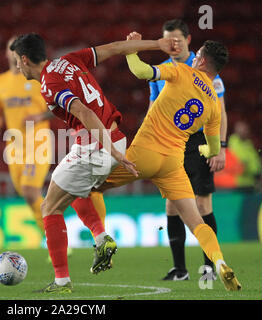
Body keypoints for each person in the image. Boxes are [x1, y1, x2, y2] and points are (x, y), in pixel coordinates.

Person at [10, 32, 179, 293]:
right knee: (75, 189)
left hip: (98, 145)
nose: (17, 68)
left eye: (17, 62)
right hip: (112, 138)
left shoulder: (49, 84)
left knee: (49, 208)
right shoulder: (69, 60)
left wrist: (113, 152)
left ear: (24, 59)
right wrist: (157, 44)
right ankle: (101, 238)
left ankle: (62, 281)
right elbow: (116, 48)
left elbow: (84, 112)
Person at [93, 32, 241, 291]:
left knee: (92, 187)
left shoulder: (181, 71)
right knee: (197, 222)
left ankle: (101, 241)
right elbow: (213, 146)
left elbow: (140, 71)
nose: (194, 56)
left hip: (145, 154)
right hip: (174, 163)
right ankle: (219, 262)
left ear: (203, 61)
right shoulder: (214, 106)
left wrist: (131, 49)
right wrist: (207, 152)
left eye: (198, 54)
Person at [0, 37, 107, 239]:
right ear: (7, 53)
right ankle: (51, 233)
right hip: (14, 142)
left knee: (29, 190)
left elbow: (58, 104)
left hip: (38, 140)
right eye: (9, 48)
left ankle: (55, 235)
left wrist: (39, 116)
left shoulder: (36, 78)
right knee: (26, 194)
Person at [148, 19, 229, 281]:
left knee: (202, 202)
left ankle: (210, 267)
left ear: (188, 40)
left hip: (200, 141)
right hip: (171, 142)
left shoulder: (206, 68)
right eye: (168, 41)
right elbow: (153, 109)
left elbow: (220, 111)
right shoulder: (160, 71)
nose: (173, 45)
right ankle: (179, 269)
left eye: (177, 40)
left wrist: (220, 148)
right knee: (172, 204)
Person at [228, 120, 262, 192]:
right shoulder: (234, 142)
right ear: (237, 130)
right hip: (240, 183)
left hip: (251, 181)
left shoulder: (248, 143)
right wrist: (250, 167)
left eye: (246, 129)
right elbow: (241, 161)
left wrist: (258, 168)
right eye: (243, 129)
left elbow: (254, 159)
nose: (246, 131)